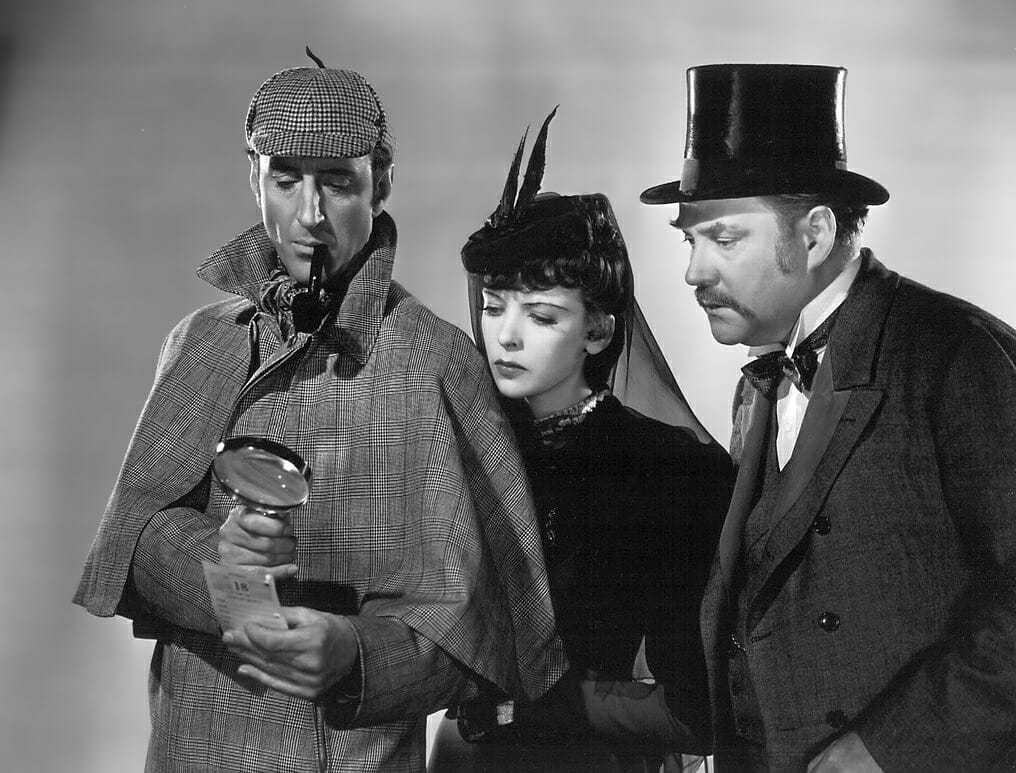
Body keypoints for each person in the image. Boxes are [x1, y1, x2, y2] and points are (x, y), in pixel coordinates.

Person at [72, 51, 566, 772]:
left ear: (381, 182)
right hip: (194, 749)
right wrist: (222, 565)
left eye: (337, 182)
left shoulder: (437, 363)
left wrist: (355, 654)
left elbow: (478, 633)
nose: (310, 214)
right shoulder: (201, 341)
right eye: (286, 179)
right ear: (254, 178)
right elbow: (131, 545)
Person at [640, 63, 1016, 771]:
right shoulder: (757, 387)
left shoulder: (956, 356)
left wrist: (889, 748)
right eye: (689, 241)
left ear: (814, 235)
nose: (693, 271)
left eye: (724, 239)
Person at [428, 109, 735, 772]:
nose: (505, 335)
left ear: (597, 330)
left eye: (540, 315)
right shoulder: (459, 452)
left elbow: (695, 705)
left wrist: (534, 709)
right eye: (493, 306)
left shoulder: (670, 470)